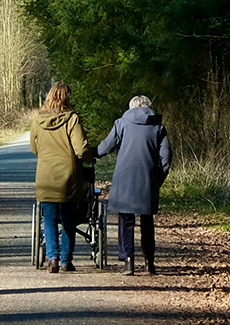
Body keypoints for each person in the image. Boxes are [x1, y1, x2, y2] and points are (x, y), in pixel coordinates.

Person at [95, 95, 171, 275]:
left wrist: (91, 153)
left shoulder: (121, 123)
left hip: (124, 178)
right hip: (148, 178)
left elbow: (107, 146)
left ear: (131, 108)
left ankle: (128, 261)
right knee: (147, 220)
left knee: (126, 220)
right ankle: (149, 261)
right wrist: (157, 179)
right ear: (148, 107)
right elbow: (165, 157)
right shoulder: (158, 127)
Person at [30, 82, 91, 273]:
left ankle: (52, 257)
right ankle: (66, 260)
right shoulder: (72, 119)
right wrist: (90, 157)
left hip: (45, 176)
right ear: (67, 98)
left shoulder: (37, 120)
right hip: (68, 178)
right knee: (68, 219)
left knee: (48, 218)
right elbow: (80, 149)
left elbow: (34, 148)